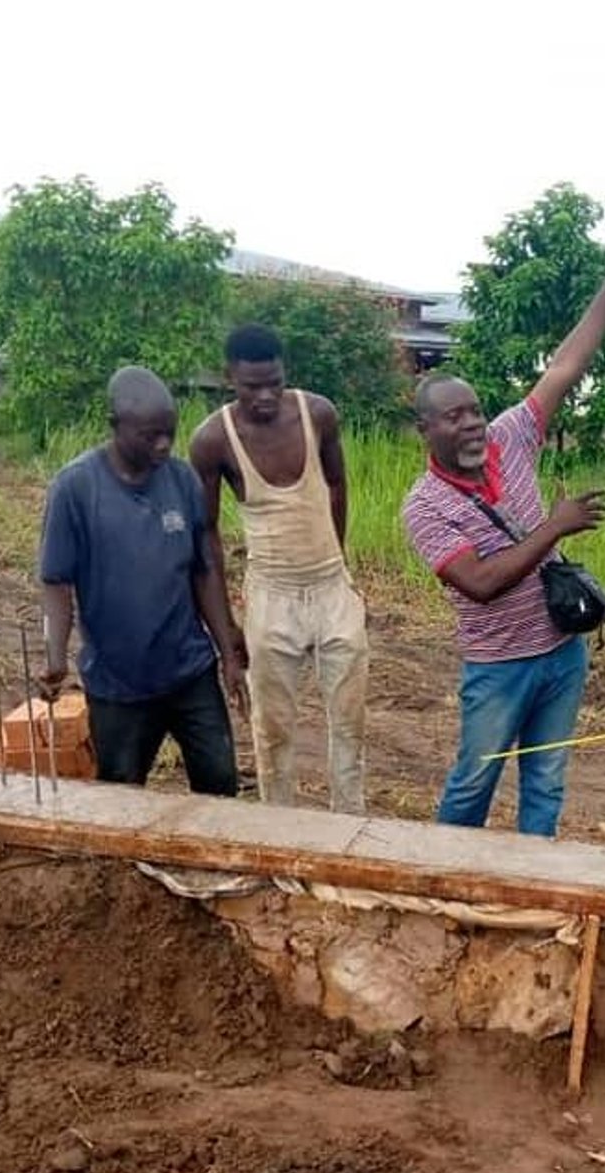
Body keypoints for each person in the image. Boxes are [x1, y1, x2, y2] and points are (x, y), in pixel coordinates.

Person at [402, 246, 605, 837]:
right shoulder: (424, 506)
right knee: (474, 781)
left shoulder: (509, 437)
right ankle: (443, 872)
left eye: (475, 411)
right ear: (425, 429)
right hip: (498, 665)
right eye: (454, 417)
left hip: (562, 650)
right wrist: (554, 527)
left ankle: (533, 875)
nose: (471, 423)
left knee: (547, 780)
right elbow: (481, 584)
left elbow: (566, 365)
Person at [38, 366, 244, 794]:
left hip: (189, 671)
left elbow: (204, 570)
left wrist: (228, 653)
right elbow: (56, 581)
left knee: (220, 783)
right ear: (115, 426)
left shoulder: (182, 480)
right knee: (121, 794)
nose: (163, 444)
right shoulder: (76, 489)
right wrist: (55, 656)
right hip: (118, 684)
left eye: (169, 432)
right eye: (150, 436)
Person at [190, 325, 367, 812]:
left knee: (350, 723)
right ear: (229, 378)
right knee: (272, 730)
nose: (266, 396)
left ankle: (350, 824)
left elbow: (336, 484)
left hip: (332, 587)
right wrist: (228, 629)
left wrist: (339, 564)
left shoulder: (318, 414)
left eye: (275, 383)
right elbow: (206, 536)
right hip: (271, 595)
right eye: (252, 387)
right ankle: (278, 826)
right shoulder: (213, 440)